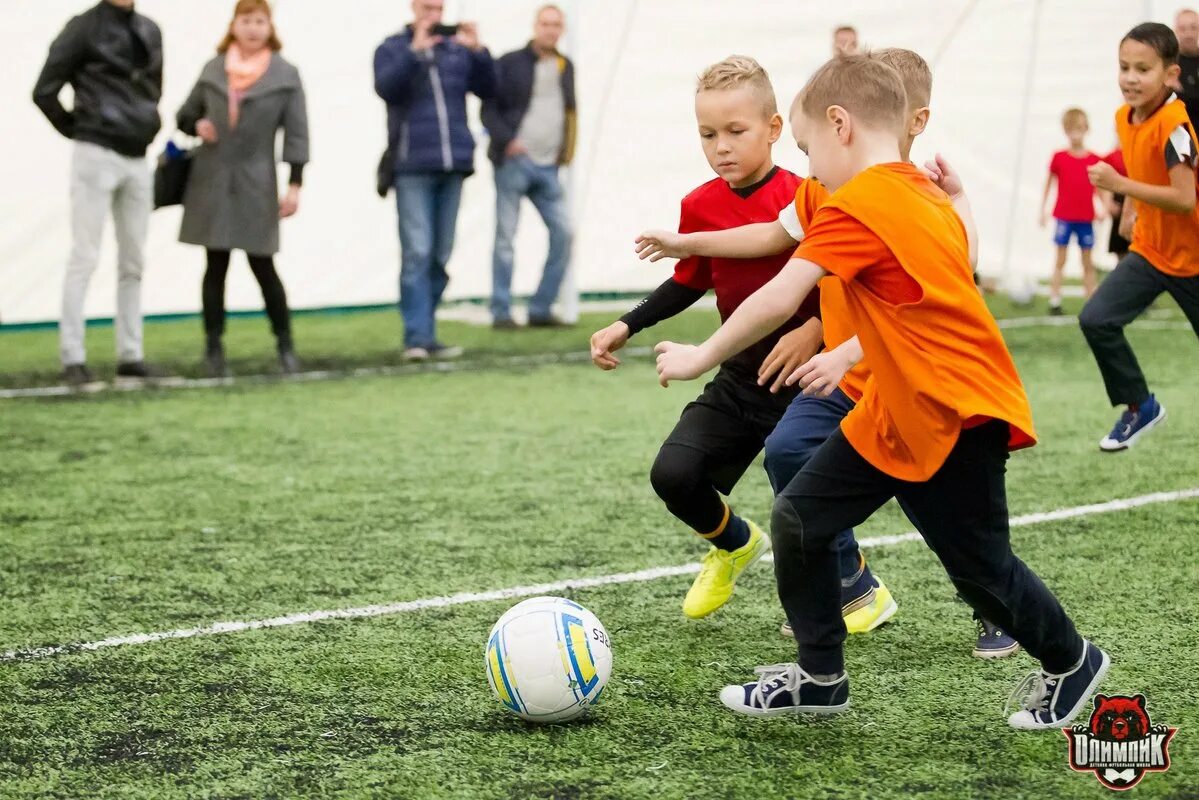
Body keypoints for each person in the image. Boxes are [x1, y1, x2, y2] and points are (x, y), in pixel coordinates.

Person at [651, 54, 1108, 727]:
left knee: (977, 568)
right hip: (893, 406)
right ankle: (818, 679)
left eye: (806, 151)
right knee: (800, 516)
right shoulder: (914, 192)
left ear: (839, 126)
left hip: (953, 413)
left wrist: (701, 355)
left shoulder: (863, 202)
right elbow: (938, 283)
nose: (806, 171)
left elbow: (781, 295)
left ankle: (1071, 662)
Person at [637, 49, 1016, 659]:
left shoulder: (915, 200)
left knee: (945, 510)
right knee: (790, 455)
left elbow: (940, 296)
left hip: (911, 381)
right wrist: (686, 242)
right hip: (846, 379)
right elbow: (774, 243)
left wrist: (833, 345)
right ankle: (843, 600)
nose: (808, 163)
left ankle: (994, 608)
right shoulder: (826, 193)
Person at [589, 56, 827, 622]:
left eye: (735, 131)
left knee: (802, 484)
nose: (721, 146)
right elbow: (688, 280)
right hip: (742, 373)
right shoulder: (699, 206)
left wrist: (815, 333)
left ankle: (856, 583)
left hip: (809, 377)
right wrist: (627, 325)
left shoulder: (807, 196)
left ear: (773, 130)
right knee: (673, 474)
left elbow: (843, 282)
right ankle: (734, 544)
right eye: (707, 134)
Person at [32, 0, 164, 387]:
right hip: (96, 153)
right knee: (85, 255)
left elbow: (152, 90)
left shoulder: (150, 30)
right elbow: (44, 90)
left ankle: (131, 354)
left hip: (138, 157)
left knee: (134, 261)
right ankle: (73, 355)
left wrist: (144, 127)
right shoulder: (83, 27)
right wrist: (79, 128)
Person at [1082, 22, 1199, 452]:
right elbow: (1138, 167)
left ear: (1170, 75)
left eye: (1142, 69)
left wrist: (1121, 188)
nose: (1130, 78)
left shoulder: (1176, 126)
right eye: (1124, 67)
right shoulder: (1123, 116)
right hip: (1151, 251)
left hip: (1194, 260)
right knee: (1096, 319)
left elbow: (1185, 199)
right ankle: (1140, 406)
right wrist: (1132, 209)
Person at [177, 0, 309, 377]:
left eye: (260, 21)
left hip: (257, 181)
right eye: (246, 20)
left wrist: (295, 183)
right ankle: (213, 348)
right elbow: (185, 115)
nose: (253, 28)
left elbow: (297, 132)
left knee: (263, 263)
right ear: (233, 25)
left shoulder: (285, 74)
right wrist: (197, 124)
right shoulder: (213, 69)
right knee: (214, 265)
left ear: (270, 27)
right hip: (212, 177)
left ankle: (285, 343)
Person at [374, 0, 496, 361]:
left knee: (440, 255)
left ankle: (425, 330)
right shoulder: (393, 47)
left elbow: (490, 89)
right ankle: (417, 336)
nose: (433, 14)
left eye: (439, 8)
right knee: (417, 253)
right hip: (411, 165)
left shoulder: (456, 51)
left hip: (454, 164)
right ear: (413, 7)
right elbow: (386, 88)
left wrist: (480, 51)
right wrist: (415, 52)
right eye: (427, 7)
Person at [482, 4, 577, 330]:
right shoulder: (509, 63)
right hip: (514, 163)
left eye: (556, 25)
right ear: (535, 26)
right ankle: (501, 310)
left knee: (565, 232)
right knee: (506, 238)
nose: (550, 30)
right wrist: (507, 140)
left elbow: (570, 112)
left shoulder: (567, 65)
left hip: (549, 167)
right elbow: (488, 108)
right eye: (545, 24)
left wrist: (565, 153)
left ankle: (540, 308)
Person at [1040, 109, 1103, 314]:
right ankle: (1055, 300)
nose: (1075, 134)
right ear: (1065, 131)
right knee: (1060, 259)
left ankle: (1091, 301)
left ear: (1086, 129)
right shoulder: (1059, 157)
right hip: (1064, 217)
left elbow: (1100, 187)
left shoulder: (1094, 159)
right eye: (1071, 130)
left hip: (1086, 217)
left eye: (1079, 129)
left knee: (1087, 260)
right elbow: (1048, 184)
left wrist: (1102, 208)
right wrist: (1043, 210)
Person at [1102, 144, 1132, 262]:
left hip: (1139, 200)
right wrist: (1108, 203)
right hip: (1118, 203)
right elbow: (1101, 182)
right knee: (1120, 247)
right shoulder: (1111, 157)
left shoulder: (1138, 151)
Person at [1172, 8, 1199, 124]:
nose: (1188, 34)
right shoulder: (1169, 64)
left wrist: (1181, 92)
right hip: (1179, 131)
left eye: (1193, 28)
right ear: (1176, 31)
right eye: (1183, 29)